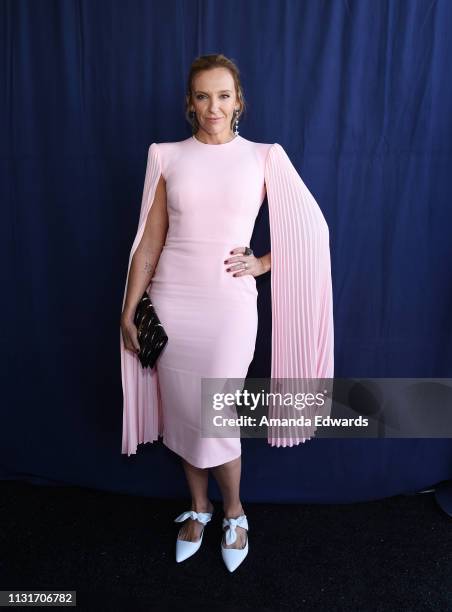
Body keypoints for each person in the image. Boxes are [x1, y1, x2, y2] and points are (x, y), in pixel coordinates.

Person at [120, 54, 334, 573]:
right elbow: (149, 243)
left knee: (215, 415)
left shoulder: (265, 157)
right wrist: (129, 311)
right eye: (201, 96)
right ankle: (198, 508)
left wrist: (261, 263)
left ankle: (234, 512)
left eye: (222, 95)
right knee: (185, 415)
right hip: (171, 303)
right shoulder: (166, 155)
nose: (212, 106)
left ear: (239, 101)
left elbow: (310, 233)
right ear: (189, 103)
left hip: (229, 309)